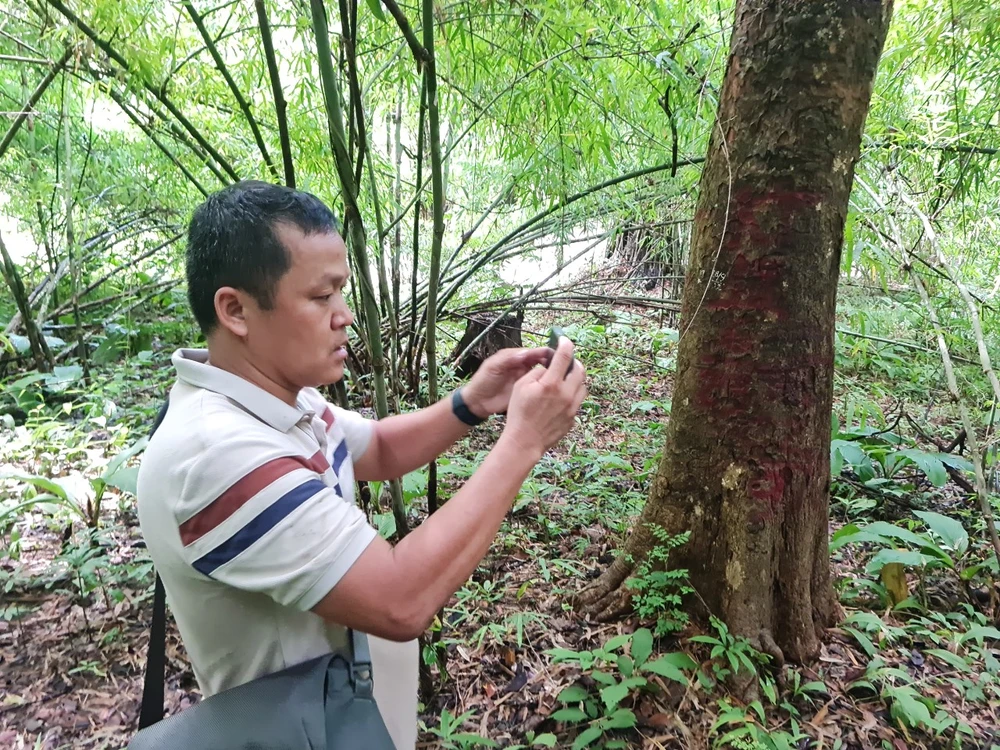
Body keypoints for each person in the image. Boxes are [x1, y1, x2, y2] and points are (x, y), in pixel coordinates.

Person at [136, 180, 587, 749]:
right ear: (236, 310)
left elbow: (375, 447)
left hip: (347, 717)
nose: (344, 315)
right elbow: (400, 600)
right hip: (301, 733)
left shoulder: (276, 398)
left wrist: (470, 402)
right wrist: (524, 441)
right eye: (322, 297)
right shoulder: (218, 455)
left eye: (341, 293)